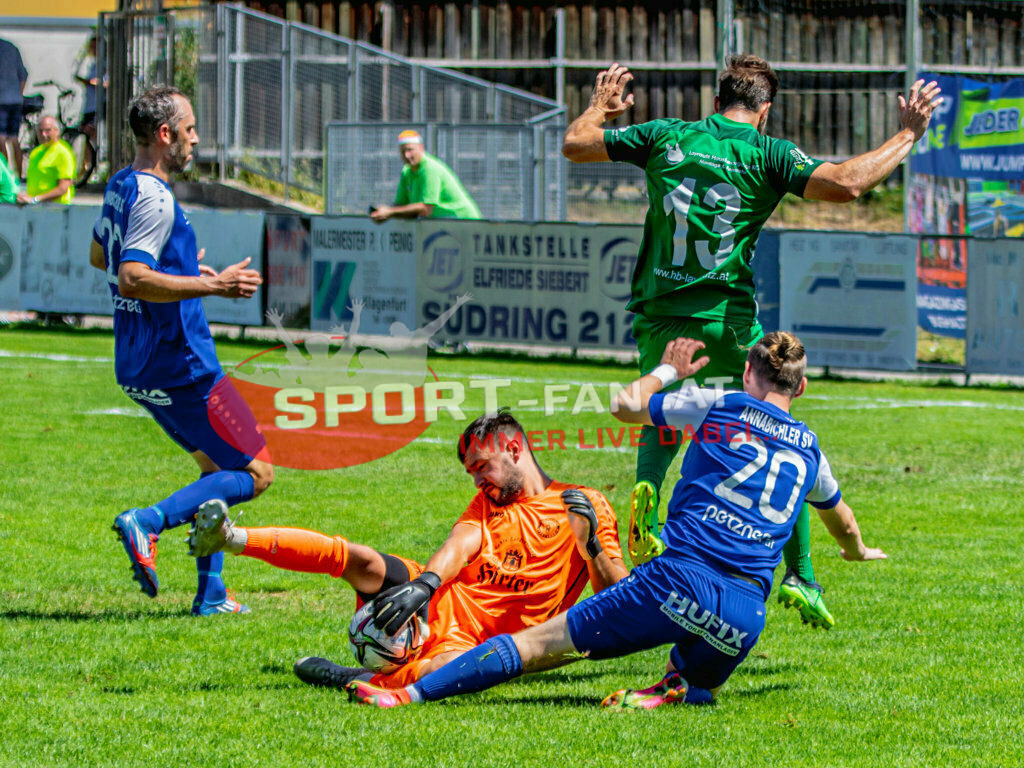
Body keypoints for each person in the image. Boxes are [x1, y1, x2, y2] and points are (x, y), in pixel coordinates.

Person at [561, 56, 939, 627]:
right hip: (730, 318)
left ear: (716, 103)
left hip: (663, 314)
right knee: (778, 434)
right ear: (764, 111)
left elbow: (576, 145)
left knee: (656, 408)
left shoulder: (669, 135)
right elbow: (849, 183)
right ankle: (803, 577)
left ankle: (646, 495)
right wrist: (908, 133)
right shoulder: (770, 153)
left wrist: (601, 107)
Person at [346, 332, 886, 709]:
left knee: (538, 643)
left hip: (680, 581)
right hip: (745, 618)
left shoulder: (718, 404)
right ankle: (680, 686)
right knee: (698, 673)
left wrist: (668, 370)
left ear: (747, 372)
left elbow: (626, 406)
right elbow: (843, 520)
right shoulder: (812, 451)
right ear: (802, 387)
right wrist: (858, 552)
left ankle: (406, 694)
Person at [188, 409, 628, 688]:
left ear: (514, 449)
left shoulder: (584, 502)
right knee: (362, 561)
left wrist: (589, 542)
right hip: (441, 599)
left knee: (445, 672)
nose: (476, 481)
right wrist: (426, 585)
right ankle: (231, 538)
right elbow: (461, 543)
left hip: (490, 642)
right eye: (471, 473)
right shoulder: (488, 502)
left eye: (481, 467)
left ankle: (356, 677)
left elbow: (621, 600)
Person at [89, 85, 273, 615]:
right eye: (189, 128)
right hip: (183, 362)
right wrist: (213, 287)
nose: (196, 138)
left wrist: (187, 271)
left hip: (138, 359)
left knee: (215, 467)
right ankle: (147, 522)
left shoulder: (122, 184)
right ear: (165, 135)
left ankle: (211, 594)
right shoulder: (154, 194)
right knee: (257, 472)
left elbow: (100, 252)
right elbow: (131, 276)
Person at [369, 130, 481, 222]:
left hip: (466, 222)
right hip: (444, 224)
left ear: (421, 148)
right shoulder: (406, 171)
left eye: (410, 150)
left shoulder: (430, 169)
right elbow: (401, 205)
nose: (407, 155)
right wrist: (384, 213)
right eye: (403, 151)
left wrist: (390, 212)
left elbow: (425, 209)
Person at [17, 116, 75, 205]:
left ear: (57, 131)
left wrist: (35, 199)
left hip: (56, 208)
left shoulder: (63, 153)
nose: (44, 134)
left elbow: (63, 188)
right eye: (40, 131)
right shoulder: (36, 152)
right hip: (36, 206)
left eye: (48, 131)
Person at [0, 38, 26, 175]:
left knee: (1, 139)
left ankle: (4, 177)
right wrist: (19, 94)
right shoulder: (11, 47)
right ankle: (19, 176)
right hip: (15, 100)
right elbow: (23, 75)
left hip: (1, 100)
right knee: (14, 140)